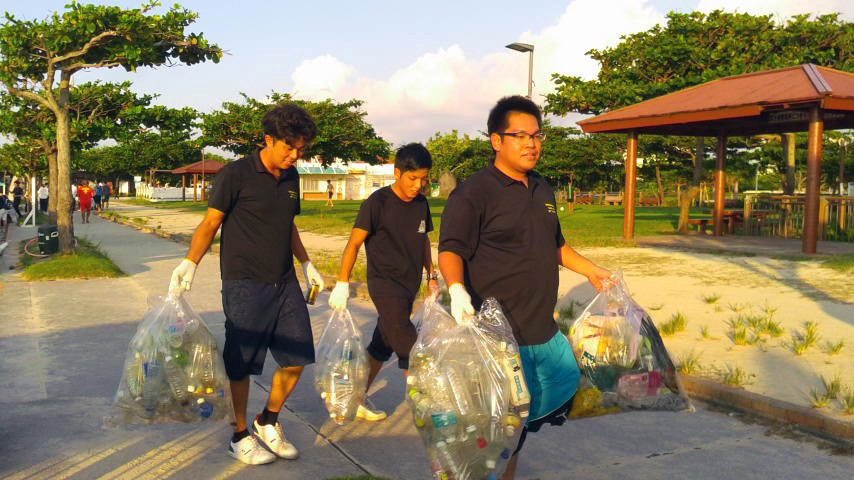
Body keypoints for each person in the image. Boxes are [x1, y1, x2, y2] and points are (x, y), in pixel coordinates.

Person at [437, 96, 612, 480]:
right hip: (496, 337)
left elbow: (556, 246)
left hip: (538, 330)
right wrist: (456, 289)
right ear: (496, 141)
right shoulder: (474, 193)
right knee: (491, 428)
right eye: (520, 135)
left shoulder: (542, 189)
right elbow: (450, 249)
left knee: (518, 427)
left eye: (537, 135)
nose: (531, 143)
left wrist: (592, 271)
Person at [168, 104, 326, 465]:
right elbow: (210, 224)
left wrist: (307, 263)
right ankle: (239, 435)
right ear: (268, 139)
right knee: (241, 364)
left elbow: (288, 225)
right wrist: (190, 261)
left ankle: (267, 419)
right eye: (289, 146)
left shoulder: (291, 177)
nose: (294, 154)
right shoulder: (235, 175)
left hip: (283, 281)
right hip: (244, 282)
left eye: (300, 148)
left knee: (298, 357)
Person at [328, 143, 438, 421]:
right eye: (413, 178)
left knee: (382, 344)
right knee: (409, 343)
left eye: (424, 179)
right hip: (384, 284)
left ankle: (353, 397)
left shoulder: (422, 204)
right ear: (396, 172)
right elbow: (353, 244)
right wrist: (342, 282)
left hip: (408, 283)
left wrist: (432, 276)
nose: (418, 185)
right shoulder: (377, 203)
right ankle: (432, 402)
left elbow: (423, 239)